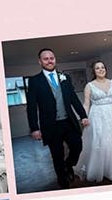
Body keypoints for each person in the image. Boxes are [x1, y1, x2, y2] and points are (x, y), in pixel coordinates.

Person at [26, 49, 89, 188]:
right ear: (40, 61)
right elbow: (31, 106)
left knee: (77, 146)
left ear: (55, 59)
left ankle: (68, 165)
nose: (49, 61)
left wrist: (83, 115)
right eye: (46, 58)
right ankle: (62, 179)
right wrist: (34, 128)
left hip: (69, 122)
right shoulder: (35, 81)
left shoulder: (65, 77)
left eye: (52, 58)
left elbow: (73, 99)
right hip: (50, 125)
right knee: (57, 154)